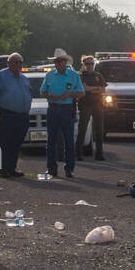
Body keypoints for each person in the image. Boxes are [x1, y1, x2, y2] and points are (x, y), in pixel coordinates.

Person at [0, 53, 33, 178]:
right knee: (3, 142)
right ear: (8, 63)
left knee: (16, 143)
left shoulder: (24, 78)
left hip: (22, 116)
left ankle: (12, 168)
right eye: (14, 62)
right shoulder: (1, 76)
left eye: (20, 62)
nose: (17, 64)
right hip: (6, 114)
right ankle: (2, 169)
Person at [39, 48, 83, 178]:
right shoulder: (49, 75)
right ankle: (51, 169)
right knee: (51, 141)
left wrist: (70, 94)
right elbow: (42, 92)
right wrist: (49, 95)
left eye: (60, 61)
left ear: (65, 62)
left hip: (66, 109)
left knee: (69, 140)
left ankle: (69, 169)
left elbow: (81, 93)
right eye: (56, 62)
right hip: (52, 108)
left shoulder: (74, 75)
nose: (58, 64)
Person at [77, 55, 107, 161]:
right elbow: (83, 88)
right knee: (82, 129)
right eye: (88, 64)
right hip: (85, 104)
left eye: (91, 64)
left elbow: (103, 90)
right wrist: (95, 88)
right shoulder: (81, 76)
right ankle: (79, 154)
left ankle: (99, 153)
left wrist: (91, 89)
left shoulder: (98, 76)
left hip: (97, 104)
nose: (90, 66)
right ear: (84, 65)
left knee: (99, 130)